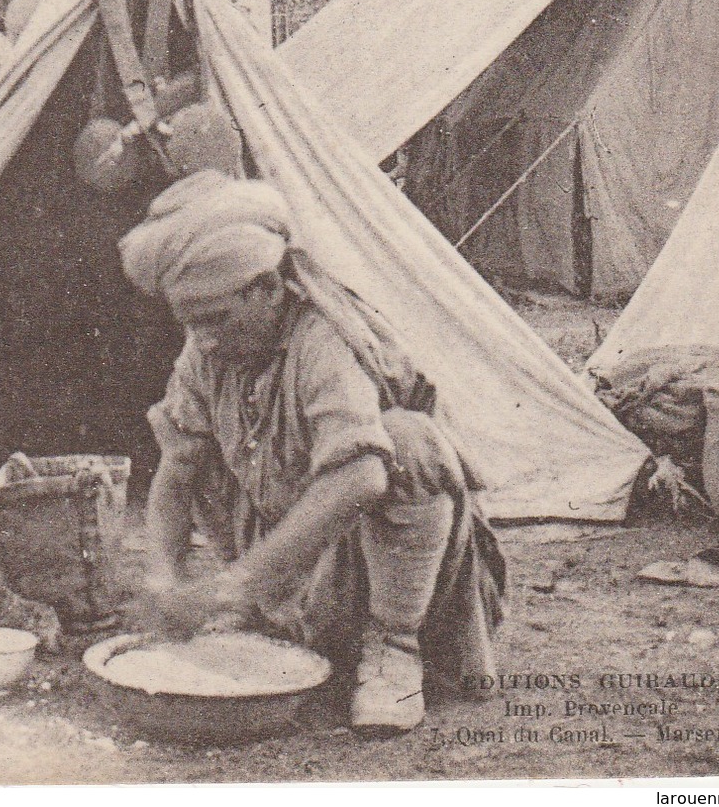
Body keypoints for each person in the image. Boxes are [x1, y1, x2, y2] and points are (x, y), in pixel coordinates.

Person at [120, 170, 504, 736]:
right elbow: (175, 476)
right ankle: (269, 626)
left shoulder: (322, 342)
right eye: (189, 323)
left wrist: (239, 583)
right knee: (183, 442)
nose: (204, 340)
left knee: (407, 446)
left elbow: (361, 481)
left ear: (268, 289)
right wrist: (164, 578)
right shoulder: (207, 352)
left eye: (217, 319)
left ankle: (394, 652)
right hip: (290, 580)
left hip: (381, 579)